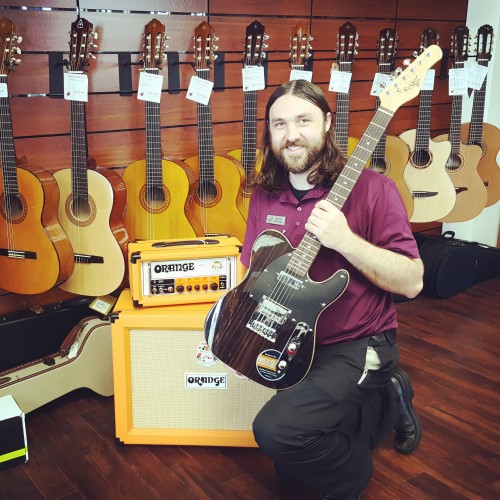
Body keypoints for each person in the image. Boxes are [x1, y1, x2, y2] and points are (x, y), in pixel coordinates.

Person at [240, 79, 424, 499]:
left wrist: (344, 240)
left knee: (276, 431)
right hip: (297, 342)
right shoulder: (264, 194)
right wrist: (234, 322)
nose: (291, 134)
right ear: (268, 133)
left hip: (362, 341)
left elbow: (412, 282)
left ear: (326, 122)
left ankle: (354, 472)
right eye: (279, 123)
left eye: (303, 120)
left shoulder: (375, 190)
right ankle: (389, 397)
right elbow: (251, 269)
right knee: (290, 468)